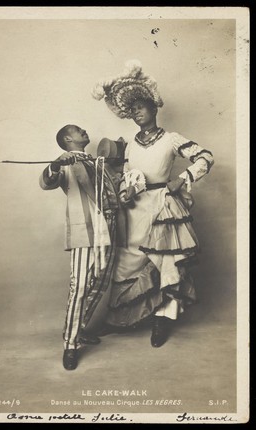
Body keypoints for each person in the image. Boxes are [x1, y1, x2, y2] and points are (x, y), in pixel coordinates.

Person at [92, 60, 214, 347]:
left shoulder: (171, 139)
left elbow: (205, 157)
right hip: (134, 210)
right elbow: (125, 175)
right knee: (127, 261)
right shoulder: (129, 145)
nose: (136, 113)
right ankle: (121, 319)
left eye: (141, 107)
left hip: (163, 206)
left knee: (165, 260)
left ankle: (162, 320)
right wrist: (125, 190)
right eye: (132, 110)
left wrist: (183, 178)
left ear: (154, 108)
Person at [39, 125, 127, 370]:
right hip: (86, 230)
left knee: (99, 282)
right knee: (79, 285)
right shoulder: (66, 163)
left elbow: (112, 191)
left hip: (109, 229)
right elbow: (47, 182)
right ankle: (70, 344)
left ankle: (79, 329)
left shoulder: (99, 162)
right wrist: (56, 164)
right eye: (78, 130)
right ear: (68, 139)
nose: (85, 130)